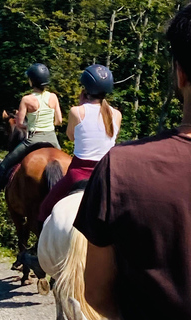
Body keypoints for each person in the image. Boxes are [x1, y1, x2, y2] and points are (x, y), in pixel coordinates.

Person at [73, 5, 191, 319]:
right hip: (101, 165)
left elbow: (97, 294)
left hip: (87, 168)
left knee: (47, 204)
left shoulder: (119, 165)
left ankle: (33, 247)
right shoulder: (116, 114)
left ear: (180, 74)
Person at [37, 64, 122, 229]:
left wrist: (80, 105)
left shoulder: (76, 112)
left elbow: (71, 136)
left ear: (85, 89)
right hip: (105, 174)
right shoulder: (116, 114)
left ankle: (37, 249)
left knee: (45, 208)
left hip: (78, 173)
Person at [0, 63, 62, 206]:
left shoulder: (26, 100)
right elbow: (58, 121)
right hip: (52, 138)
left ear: (31, 81)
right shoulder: (53, 97)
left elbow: (20, 124)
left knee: (4, 165)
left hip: (34, 138)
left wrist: (31, 125)